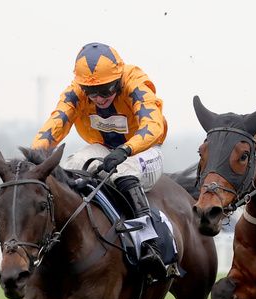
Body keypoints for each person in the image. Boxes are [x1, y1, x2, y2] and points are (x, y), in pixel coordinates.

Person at [31, 42, 168, 279]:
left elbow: (153, 126)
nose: (99, 98)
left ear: (118, 80)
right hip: (103, 149)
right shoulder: (76, 92)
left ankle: (150, 242)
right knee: (71, 168)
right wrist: (34, 159)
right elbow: (56, 123)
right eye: (92, 92)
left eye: (106, 90)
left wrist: (126, 149)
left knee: (123, 171)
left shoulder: (134, 82)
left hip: (142, 151)